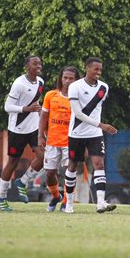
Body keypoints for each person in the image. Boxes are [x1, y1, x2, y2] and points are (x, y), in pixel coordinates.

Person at [64, 57, 118, 213]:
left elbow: (97, 110)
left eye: (100, 70)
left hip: (95, 133)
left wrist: (98, 127)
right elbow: (78, 113)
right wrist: (101, 125)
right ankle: (69, 204)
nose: (98, 72)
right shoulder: (75, 86)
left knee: (99, 164)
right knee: (73, 165)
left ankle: (100, 203)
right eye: (96, 69)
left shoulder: (104, 88)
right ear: (87, 68)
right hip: (77, 133)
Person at [0, 56, 45, 211]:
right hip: (17, 129)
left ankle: (22, 182)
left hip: (34, 128)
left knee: (44, 157)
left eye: (39, 63)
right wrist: (25, 109)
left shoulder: (41, 82)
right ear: (27, 66)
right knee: (12, 163)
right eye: (34, 63)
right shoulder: (18, 83)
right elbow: (7, 106)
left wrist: (40, 124)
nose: (38, 66)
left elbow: (36, 105)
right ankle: (2, 197)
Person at [38, 66, 80, 212]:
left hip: (71, 141)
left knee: (69, 172)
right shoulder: (50, 95)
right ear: (60, 78)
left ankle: (66, 201)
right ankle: (56, 196)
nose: (67, 81)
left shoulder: (78, 98)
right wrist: (40, 136)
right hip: (52, 142)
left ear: (76, 80)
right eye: (65, 78)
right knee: (50, 173)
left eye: (71, 78)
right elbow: (43, 116)